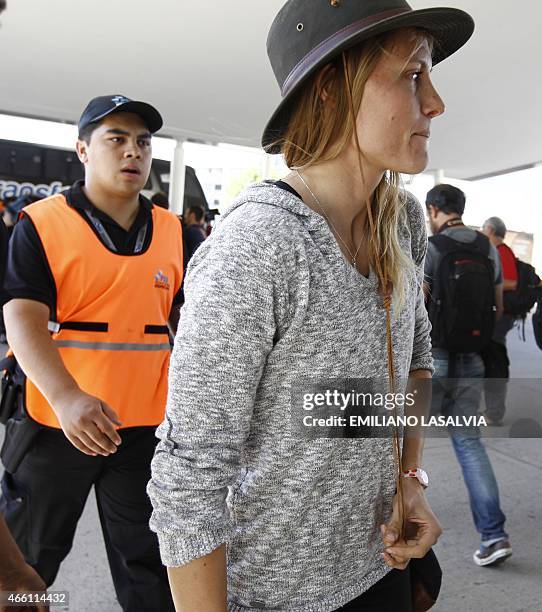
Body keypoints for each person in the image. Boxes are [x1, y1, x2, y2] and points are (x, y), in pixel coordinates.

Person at [148, 1, 475, 610]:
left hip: (383, 568)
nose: (435, 102)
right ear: (332, 88)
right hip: (277, 595)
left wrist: (409, 480)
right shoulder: (259, 245)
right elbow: (188, 476)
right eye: (412, 74)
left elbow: (416, 358)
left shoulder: (401, 218)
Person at [0, 95, 184, 612]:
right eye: (116, 139)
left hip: (143, 428)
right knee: (26, 566)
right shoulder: (42, 223)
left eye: (143, 143)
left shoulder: (174, 231)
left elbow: (188, 325)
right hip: (57, 424)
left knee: (149, 564)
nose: (133, 152)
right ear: (83, 150)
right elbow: (23, 318)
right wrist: (67, 397)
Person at [424, 184, 512, 567]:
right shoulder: (486, 247)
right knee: (470, 445)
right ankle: (494, 536)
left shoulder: (431, 248)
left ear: (432, 210)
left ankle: (387, 531)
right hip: (472, 361)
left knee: (400, 444)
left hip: (433, 360)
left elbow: (416, 307)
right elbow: (497, 307)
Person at [481, 216, 517, 425]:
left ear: (491, 231)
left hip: (500, 318)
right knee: (487, 362)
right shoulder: (495, 252)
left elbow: (511, 282)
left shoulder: (502, 252)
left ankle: (494, 412)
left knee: (494, 363)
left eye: (485, 229)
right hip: (495, 316)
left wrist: (489, 284)